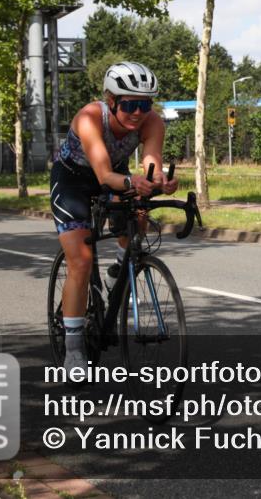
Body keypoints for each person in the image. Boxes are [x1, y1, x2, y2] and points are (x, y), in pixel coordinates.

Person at [50, 61, 178, 372]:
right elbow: (104, 173)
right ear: (111, 101)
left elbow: (150, 164)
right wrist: (133, 181)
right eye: (130, 104)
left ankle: (118, 268)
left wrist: (158, 180)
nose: (138, 112)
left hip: (114, 176)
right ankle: (74, 350)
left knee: (139, 210)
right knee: (80, 260)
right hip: (74, 181)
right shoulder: (90, 118)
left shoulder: (152, 123)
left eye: (145, 104)